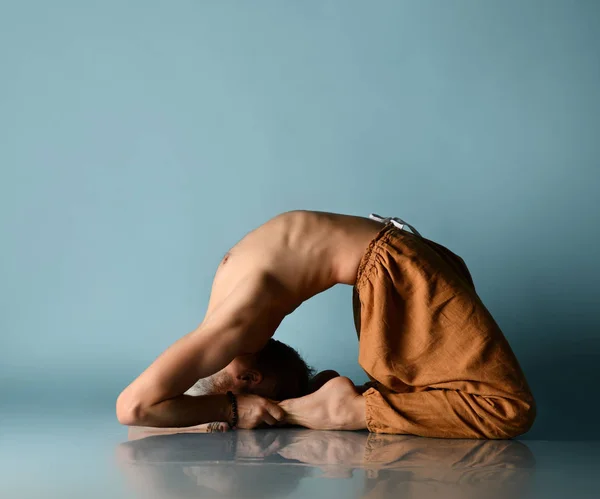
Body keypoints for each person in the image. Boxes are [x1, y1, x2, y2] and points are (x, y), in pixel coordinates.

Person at [116, 210, 536, 438]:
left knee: (502, 409)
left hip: (395, 262)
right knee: (432, 391)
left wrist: (238, 410)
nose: (205, 374)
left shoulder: (233, 328)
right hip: (398, 255)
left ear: (248, 378)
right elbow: (154, 407)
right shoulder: (230, 313)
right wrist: (225, 407)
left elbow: (133, 408)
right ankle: (350, 403)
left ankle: (346, 409)